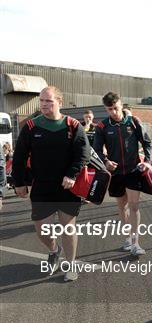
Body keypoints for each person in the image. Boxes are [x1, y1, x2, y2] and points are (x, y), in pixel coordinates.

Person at [11, 86, 90, 281]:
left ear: (59, 102)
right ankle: (54, 249)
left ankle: (70, 264)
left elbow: (83, 154)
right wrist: (18, 182)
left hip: (67, 187)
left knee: (68, 227)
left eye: (49, 101)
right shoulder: (31, 126)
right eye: (42, 101)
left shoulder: (73, 125)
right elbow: (19, 156)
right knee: (42, 230)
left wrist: (72, 174)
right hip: (41, 187)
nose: (44, 104)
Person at [93, 92, 152, 256]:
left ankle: (135, 243)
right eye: (109, 109)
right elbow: (96, 149)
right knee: (122, 207)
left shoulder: (133, 122)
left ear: (121, 105)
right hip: (116, 174)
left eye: (116, 108)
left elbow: (146, 142)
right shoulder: (103, 127)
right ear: (106, 109)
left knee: (134, 206)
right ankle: (127, 237)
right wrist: (105, 162)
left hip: (133, 170)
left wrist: (147, 161)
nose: (113, 112)